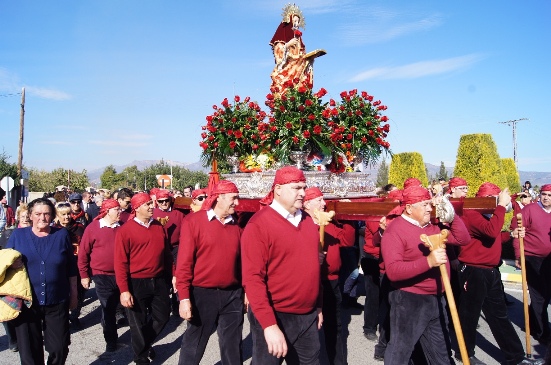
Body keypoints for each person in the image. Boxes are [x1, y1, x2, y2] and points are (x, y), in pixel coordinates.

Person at [381, 185, 471, 364]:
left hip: (437, 298)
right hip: (409, 300)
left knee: (441, 354)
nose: (430, 208)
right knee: (400, 352)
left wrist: (452, 217)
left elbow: (463, 239)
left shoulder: (434, 226)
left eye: (430, 203)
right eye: (424, 205)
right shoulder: (395, 230)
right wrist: (428, 262)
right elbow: (393, 271)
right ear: (409, 208)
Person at [241, 166, 322, 364]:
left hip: (308, 316)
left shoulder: (309, 222)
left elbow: (314, 268)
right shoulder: (259, 225)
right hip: (275, 314)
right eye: (296, 188)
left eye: (304, 187)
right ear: (278, 189)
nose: (303, 193)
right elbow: (253, 278)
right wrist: (269, 325)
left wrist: (318, 306)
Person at [459, 183, 542, 365]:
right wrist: (502, 207)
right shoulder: (472, 213)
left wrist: (511, 234)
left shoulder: (489, 214)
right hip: (474, 271)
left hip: (491, 271)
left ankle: (516, 357)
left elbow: (495, 236)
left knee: (499, 316)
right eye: (495, 199)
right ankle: (465, 353)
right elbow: (490, 231)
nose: (499, 202)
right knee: (469, 316)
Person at [175, 180, 244, 365]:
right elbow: (184, 263)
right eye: (233, 198)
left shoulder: (237, 226)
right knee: (195, 342)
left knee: (232, 344)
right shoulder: (194, 222)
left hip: (233, 294)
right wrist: (184, 298)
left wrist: (246, 292)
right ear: (219, 197)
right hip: (202, 294)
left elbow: (243, 262)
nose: (237, 203)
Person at [6, 198, 78, 365]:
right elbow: (4, 262)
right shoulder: (18, 236)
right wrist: (12, 263)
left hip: (57, 300)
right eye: (37, 214)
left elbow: (71, 268)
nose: (42, 218)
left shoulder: (61, 235)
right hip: (27, 302)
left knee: (59, 347)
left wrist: (74, 294)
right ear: (30, 215)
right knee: (29, 353)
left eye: (46, 214)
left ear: (52, 216)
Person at [114, 192, 173, 364]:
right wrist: (124, 290)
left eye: (150, 203)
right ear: (137, 208)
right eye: (147, 204)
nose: (151, 207)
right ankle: (141, 357)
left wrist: (173, 276)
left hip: (159, 279)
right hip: (136, 282)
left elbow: (167, 255)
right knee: (137, 322)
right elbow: (120, 263)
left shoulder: (158, 226)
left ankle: (144, 344)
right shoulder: (125, 231)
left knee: (162, 317)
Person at [302, 187, 355, 365]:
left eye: (324, 200)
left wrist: (347, 218)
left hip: (331, 282)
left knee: (335, 326)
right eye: (319, 200)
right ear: (307, 204)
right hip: (308, 283)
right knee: (306, 328)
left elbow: (347, 241)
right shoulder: (300, 223)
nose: (324, 204)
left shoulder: (330, 224)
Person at [78, 199, 122, 352]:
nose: (120, 212)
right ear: (107, 211)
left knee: (124, 305)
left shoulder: (121, 227)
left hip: (121, 274)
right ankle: (111, 340)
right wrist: (84, 274)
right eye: (116, 209)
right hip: (101, 275)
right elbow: (83, 253)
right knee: (108, 307)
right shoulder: (93, 228)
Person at [512, 184, 551, 346]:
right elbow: (516, 230)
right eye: (544, 194)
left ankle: (534, 323)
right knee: (538, 295)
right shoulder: (530, 210)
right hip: (532, 257)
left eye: (549, 195)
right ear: (539, 195)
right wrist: (518, 255)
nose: (546, 197)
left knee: (546, 294)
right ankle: (542, 333)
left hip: (549, 260)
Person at [269, 3, 317, 95]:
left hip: (298, 71)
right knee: (285, 92)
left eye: (298, 22)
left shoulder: (299, 40)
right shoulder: (282, 38)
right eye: (294, 21)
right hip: (287, 70)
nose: (297, 24)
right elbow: (279, 53)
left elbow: (302, 54)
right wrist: (287, 45)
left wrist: (309, 58)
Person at [54, 202, 86, 330]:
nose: (67, 217)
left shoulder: (79, 227)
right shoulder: (54, 230)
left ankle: (75, 315)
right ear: (57, 215)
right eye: (63, 214)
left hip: (78, 265)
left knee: (79, 292)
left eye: (68, 214)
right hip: (62, 266)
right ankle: (63, 317)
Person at [153, 189, 185, 316]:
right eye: (161, 201)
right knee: (164, 275)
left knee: (178, 274)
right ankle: (163, 304)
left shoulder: (178, 214)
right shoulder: (153, 213)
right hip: (160, 249)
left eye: (166, 201)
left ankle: (177, 302)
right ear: (157, 202)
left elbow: (184, 231)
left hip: (176, 248)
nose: (164, 203)